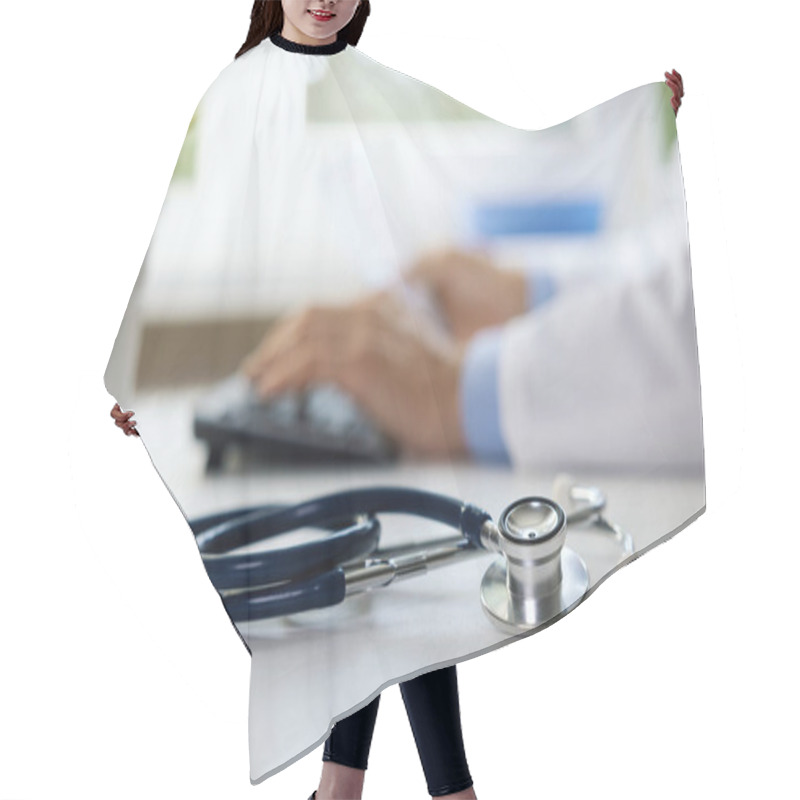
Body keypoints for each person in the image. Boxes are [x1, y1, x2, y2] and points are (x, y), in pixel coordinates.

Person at [110, 2, 686, 798]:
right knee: (369, 597)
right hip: (270, 386)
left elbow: (488, 156)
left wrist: (632, 125)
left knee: (389, 596)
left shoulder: (371, 85)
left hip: (369, 380)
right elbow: (185, 235)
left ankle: (353, 788)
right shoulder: (233, 92)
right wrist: (138, 369)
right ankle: (429, 791)